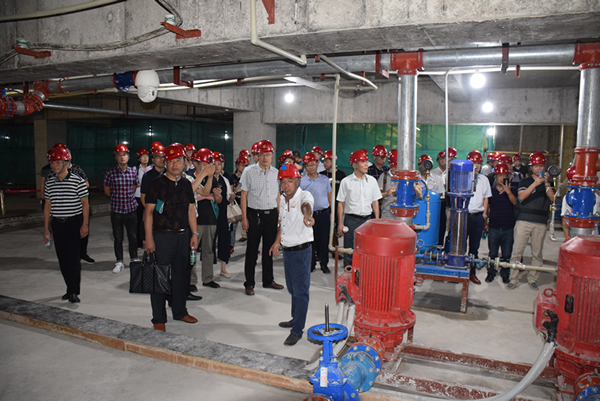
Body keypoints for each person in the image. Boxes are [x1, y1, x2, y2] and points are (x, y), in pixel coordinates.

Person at [144, 144, 199, 331]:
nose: (175, 164)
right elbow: (148, 213)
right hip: (162, 237)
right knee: (159, 277)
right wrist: (149, 238)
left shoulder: (186, 184)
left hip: (183, 237)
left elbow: (190, 209)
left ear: (184, 162)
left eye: (178, 161)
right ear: (165, 162)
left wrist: (194, 234)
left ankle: (180, 311)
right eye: (171, 161)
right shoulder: (156, 184)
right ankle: (158, 318)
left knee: (181, 276)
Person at [269, 163, 315, 346]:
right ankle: (295, 318)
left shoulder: (305, 195)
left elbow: (306, 206)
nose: (286, 185)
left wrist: (307, 216)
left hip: (301, 251)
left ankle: (297, 330)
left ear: (297, 180)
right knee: (292, 289)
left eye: (290, 181)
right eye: (283, 181)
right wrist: (277, 241)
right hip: (287, 251)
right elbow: (282, 222)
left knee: (301, 292)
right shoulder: (282, 198)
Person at [43, 146, 89, 303]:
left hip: (73, 223)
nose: (55, 165)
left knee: (73, 258)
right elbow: (47, 206)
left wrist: (85, 224)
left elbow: (85, 204)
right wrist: (46, 229)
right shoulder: (50, 183)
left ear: (66, 163)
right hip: (58, 224)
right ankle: (69, 288)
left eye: (58, 162)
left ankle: (74, 291)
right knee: (62, 258)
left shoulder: (78, 181)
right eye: (52, 163)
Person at [240, 139, 284, 296]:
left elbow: (277, 195)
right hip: (254, 215)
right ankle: (249, 283)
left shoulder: (276, 173)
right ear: (257, 156)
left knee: (269, 250)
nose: (266, 158)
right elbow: (243, 195)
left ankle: (268, 280)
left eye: (269, 154)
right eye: (262, 154)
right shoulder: (249, 171)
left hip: (271, 215)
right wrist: (244, 218)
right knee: (252, 251)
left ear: (272, 155)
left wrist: (280, 215)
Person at [508, 152, 555, 290]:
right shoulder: (525, 181)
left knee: (537, 253)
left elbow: (552, 198)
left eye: (541, 165)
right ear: (531, 167)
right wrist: (535, 184)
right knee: (517, 251)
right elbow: (521, 197)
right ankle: (513, 278)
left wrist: (546, 183)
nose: (538, 168)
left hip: (540, 221)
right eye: (536, 166)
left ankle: (533, 278)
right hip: (524, 220)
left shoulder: (549, 183)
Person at [337, 149, 382, 268]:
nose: (366, 165)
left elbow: (375, 202)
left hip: (367, 220)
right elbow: (341, 203)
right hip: (351, 220)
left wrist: (377, 220)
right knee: (349, 249)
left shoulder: (372, 181)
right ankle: (348, 271)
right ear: (354, 165)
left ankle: (364, 271)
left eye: (366, 162)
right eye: (362, 162)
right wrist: (340, 223)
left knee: (366, 248)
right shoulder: (346, 182)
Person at [104, 144, 139, 273]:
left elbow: (134, 187)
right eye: (119, 155)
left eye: (124, 155)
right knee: (118, 237)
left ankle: (134, 259)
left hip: (131, 209)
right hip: (117, 210)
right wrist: (118, 198)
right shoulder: (110, 173)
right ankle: (119, 261)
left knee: (133, 236)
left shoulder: (133, 172)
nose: (122, 157)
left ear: (128, 157)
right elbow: (107, 191)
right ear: (116, 157)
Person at [192, 148, 222, 289]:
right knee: (192, 251)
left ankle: (208, 278)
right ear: (196, 163)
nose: (208, 167)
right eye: (205, 164)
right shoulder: (190, 178)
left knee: (208, 250)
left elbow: (218, 200)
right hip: (195, 220)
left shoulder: (212, 178)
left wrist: (217, 195)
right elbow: (191, 196)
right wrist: (206, 197)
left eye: (209, 164)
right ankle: (191, 281)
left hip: (210, 219)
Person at [485, 163, 518, 283]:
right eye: (499, 175)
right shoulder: (491, 191)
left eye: (504, 175)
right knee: (492, 253)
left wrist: (508, 192)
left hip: (508, 227)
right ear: (495, 177)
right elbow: (487, 207)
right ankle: (491, 272)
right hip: (494, 226)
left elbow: (515, 203)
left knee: (507, 253)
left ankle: (505, 273)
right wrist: (485, 222)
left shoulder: (513, 189)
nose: (502, 178)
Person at [300, 152, 332, 273]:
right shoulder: (302, 181)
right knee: (310, 240)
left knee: (324, 240)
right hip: (309, 215)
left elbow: (329, 195)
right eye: (308, 165)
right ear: (305, 167)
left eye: (313, 164)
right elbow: (300, 199)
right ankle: (311, 264)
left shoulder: (324, 179)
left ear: (317, 164)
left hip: (324, 214)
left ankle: (324, 264)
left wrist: (332, 211)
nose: (311, 167)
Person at [464, 151, 492, 285]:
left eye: (479, 163)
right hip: (464, 216)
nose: (477, 165)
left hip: (478, 217)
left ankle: (472, 273)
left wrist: (484, 216)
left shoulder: (484, 180)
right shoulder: (462, 177)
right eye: (474, 163)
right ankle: (458, 271)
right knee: (459, 246)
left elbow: (486, 198)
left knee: (474, 248)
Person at [212, 152, 233, 278]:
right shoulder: (206, 179)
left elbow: (228, 198)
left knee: (224, 241)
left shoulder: (225, 180)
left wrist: (231, 197)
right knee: (209, 243)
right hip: (210, 215)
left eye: (219, 164)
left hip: (223, 214)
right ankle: (208, 271)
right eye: (214, 164)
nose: (216, 166)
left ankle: (223, 268)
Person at [320, 150, 346, 256]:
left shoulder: (341, 175)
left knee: (335, 230)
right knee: (323, 230)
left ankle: (335, 250)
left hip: (337, 206)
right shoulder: (321, 175)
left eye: (327, 161)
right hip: (324, 207)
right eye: (324, 161)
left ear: (333, 161)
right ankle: (321, 252)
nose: (325, 163)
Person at [431, 148, 456, 245]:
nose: (446, 161)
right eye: (444, 159)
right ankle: (438, 244)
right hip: (438, 202)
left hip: (450, 202)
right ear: (438, 161)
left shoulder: (453, 173)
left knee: (450, 226)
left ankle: (448, 246)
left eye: (450, 159)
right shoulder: (433, 173)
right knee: (438, 225)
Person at [230, 156, 248, 247]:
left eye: (245, 166)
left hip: (246, 202)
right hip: (236, 202)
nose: (243, 167)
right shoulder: (232, 177)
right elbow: (231, 190)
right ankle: (231, 245)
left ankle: (251, 246)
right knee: (233, 225)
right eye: (241, 165)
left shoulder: (248, 177)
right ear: (237, 165)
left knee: (248, 225)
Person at [135, 148, 149, 249]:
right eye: (142, 156)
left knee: (149, 219)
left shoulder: (152, 168)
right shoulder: (135, 169)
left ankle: (148, 239)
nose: (145, 158)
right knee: (138, 220)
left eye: (146, 156)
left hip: (149, 197)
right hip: (137, 197)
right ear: (139, 158)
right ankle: (138, 242)